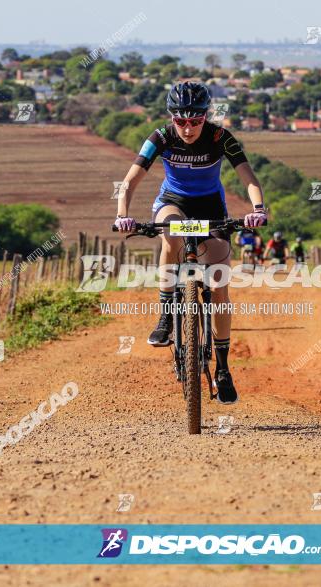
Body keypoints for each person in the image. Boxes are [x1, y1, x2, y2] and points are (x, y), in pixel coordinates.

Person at [113, 81, 267, 405]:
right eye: (180, 121)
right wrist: (122, 214)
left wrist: (257, 210)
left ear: (205, 117)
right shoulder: (161, 137)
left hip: (212, 208)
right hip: (173, 201)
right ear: (172, 118)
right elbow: (129, 181)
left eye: (194, 121)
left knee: (220, 286)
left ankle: (223, 368)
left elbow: (248, 177)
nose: (187, 128)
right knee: (170, 231)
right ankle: (167, 315)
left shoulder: (219, 137)